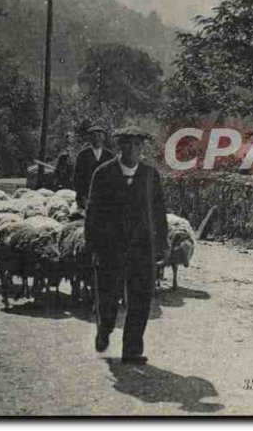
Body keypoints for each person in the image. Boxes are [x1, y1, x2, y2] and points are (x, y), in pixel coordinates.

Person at [85, 126, 168, 364]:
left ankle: (132, 350)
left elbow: (159, 211)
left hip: (142, 249)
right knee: (108, 298)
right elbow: (92, 212)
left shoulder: (151, 175)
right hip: (110, 248)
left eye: (137, 146)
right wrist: (92, 246)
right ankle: (105, 328)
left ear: (142, 149)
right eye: (127, 145)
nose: (132, 150)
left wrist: (162, 243)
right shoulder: (103, 174)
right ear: (119, 148)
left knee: (140, 299)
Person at [72, 125, 115, 209]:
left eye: (100, 135)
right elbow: (77, 178)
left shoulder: (109, 155)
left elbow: (113, 177)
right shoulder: (83, 155)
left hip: (105, 197)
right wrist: (82, 196)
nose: (97, 138)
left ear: (104, 137)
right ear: (90, 138)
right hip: (87, 196)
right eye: (94, 135)